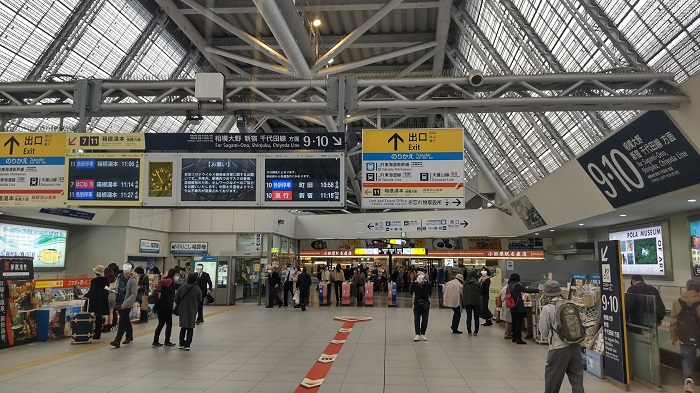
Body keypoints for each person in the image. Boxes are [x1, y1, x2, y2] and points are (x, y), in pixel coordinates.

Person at [538, 280, 585, 393]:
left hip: (558, 349)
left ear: (546, 294)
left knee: (552, 381)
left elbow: (543, 331)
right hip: (576, 346)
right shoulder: (571, 304)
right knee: (577, 381)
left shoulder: (547, 308)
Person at [670, 279, 700, 392]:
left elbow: (673, 322)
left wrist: (673, 337)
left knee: (687, 359)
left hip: (685, 336)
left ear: (687, 288)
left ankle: (688, 381)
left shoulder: (677, 302)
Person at [507, 273, 541, 344]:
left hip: (512, 306)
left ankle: (514, 337)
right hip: (518, 306)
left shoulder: (509, 285)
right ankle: (519, 339)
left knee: (514, 322)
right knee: (519, 323)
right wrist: (538, 290)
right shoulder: (517, 285)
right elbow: (526, 290)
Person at [110, 263, 137, 348]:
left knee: (122, 321)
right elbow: (118, 288)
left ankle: (117, 340)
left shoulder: (132, 280)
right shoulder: (119, 277)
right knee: (125, 320)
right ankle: (129, 336)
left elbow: (133, 294)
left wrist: (126, 303)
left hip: (126, 303)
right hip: (118, 301)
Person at [174, 273, 203, 350]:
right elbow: (200, 299)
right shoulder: (197, 288)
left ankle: (181, 343)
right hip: (192, 309)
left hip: (182, 309)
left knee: (183, 326)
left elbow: (176, 298)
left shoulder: (182, 287)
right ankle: (188, 344)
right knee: (190, 327)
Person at [152, 268, 177, 347]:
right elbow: (170, 296)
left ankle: (155, 341)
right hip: (167, 306)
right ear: (174, 274)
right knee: (169, 324)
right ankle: (167, 341)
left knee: (160, 324)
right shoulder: (171, 282)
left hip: (160, 305)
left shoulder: (163, 281)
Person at [84, 265, 109, 339]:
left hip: (96, 301)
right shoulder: (106, 280)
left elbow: (92, 291)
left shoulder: (94, 281)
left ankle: (92, 332)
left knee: (94, 316)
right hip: (103, 300)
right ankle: (98, 333)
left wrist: (85, 296)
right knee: (99, 317)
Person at [410, 272, 432, 341]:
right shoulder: (414, 284)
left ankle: (422, 333)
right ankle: (417, 333)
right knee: (417, 319)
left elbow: (430, 293)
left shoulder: (428, 285)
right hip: (417, 304)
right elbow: (411, 292)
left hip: (425, 304)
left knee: (425, 319)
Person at [463, 270, 482, 336]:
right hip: (476, 301)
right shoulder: (477, 283)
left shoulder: (465, 283)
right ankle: (476, 331)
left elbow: (464, 292)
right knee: (476, 317)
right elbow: (481, 292)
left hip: (467, 301)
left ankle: (469, 331)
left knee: (469, 316)